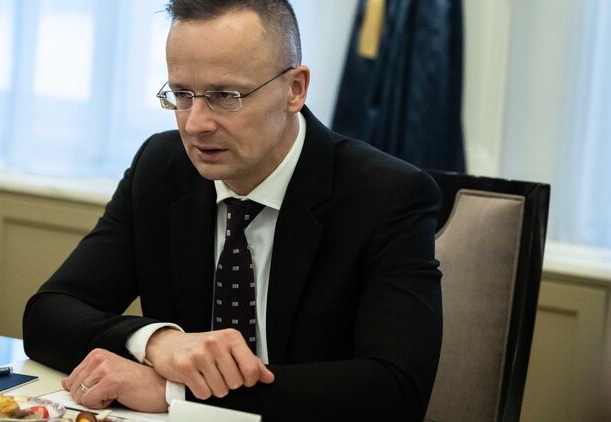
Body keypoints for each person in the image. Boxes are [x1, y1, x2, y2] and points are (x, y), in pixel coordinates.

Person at [22, 0, 443, 420]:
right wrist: (157, 342)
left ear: (295, 89)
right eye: (182, 94)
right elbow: (47, 315)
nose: (195, 124)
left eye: (225, 96)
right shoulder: (161, 170)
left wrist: (175, 393)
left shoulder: (387, 195)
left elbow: (395, 390)